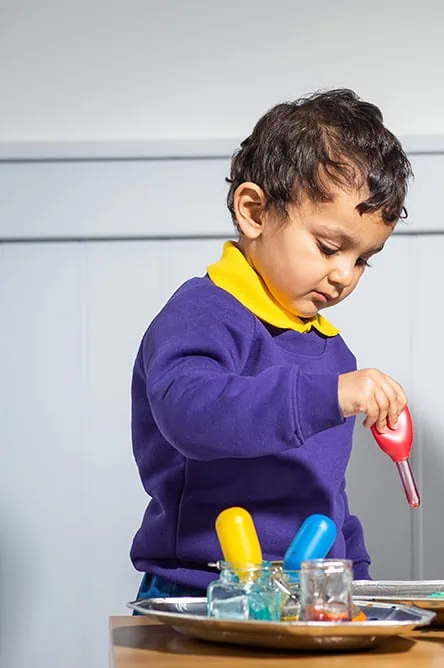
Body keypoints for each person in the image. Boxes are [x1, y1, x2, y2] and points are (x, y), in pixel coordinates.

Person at [130, 88, 412, 599]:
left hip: (309, 598)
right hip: (201, 591)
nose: (344, 275)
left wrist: (360, 584)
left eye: (363, 259)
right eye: (329, 247)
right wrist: (327, 396)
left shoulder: (332, 353)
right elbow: (191, 415)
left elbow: (327, 494)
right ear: (255, 212)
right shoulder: (203, 313)